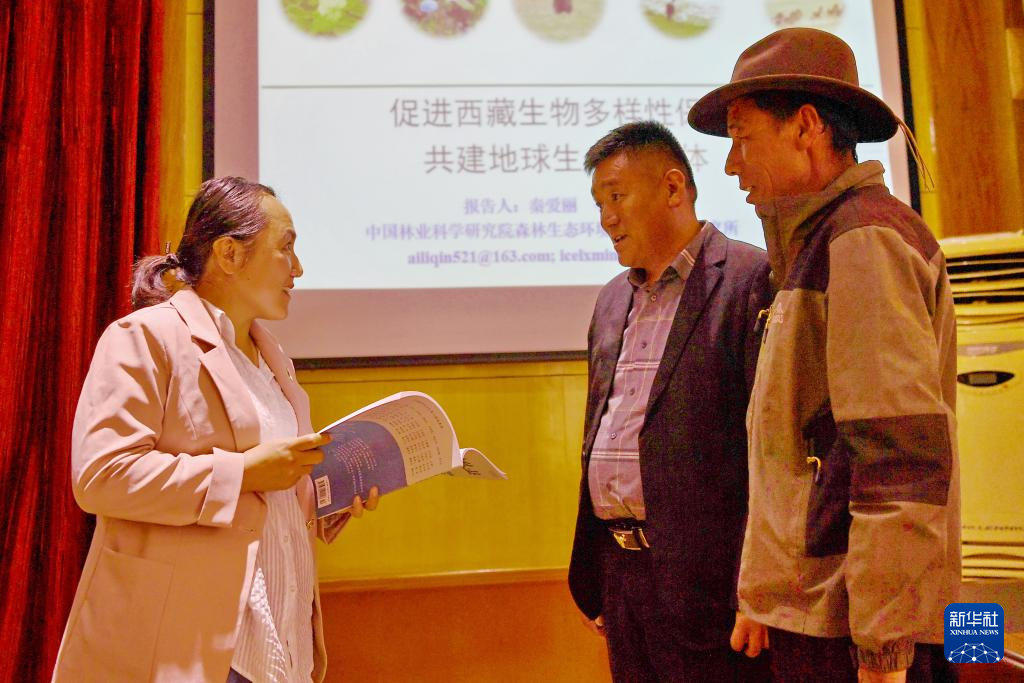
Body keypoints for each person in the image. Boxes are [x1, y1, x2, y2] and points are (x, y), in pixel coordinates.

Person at [688, 28, 960, 682]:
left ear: (807, 127)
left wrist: (885, 652)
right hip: (827, 615)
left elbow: (897, 455)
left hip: (857, 631)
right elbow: (800, 448)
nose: (731, 165)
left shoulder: (863, 240)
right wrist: (767, 592)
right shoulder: (820, 242)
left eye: (743, 138)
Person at [52, 176, 379, 683]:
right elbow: (102, 477)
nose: (298, 269)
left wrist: (321, 502)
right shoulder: (145, 337)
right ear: (229, 254)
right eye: (286, 248)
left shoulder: (273, 359)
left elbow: (266, 492)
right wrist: (242, 473)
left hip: (280, 636)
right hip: (196, 642)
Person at [568, 121, 773, 682]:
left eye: (616, 196)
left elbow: (770, 451)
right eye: (599, 204)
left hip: (712, 583)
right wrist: (599, 574)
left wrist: (759, 585)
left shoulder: (751, 279)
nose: (606, 218)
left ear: (673, 187)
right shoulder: (612, 300)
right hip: (621, 576)